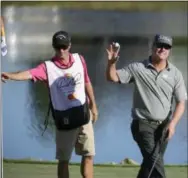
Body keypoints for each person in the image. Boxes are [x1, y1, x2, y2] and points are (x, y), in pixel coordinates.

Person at [2, 30, 98, 178]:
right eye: (58, 47)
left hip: (84, 115)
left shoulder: (80, 59)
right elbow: (29, 74)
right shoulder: (47, 67)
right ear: (54, 47)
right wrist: (11, 76)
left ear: (69, 46)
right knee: (64, 160)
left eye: (64, 47)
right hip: (64, 120)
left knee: (89, 154)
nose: (61, 51)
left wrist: (94, 105)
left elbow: (86, 82)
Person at [105, 34, 187, 178]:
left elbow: (181, 102)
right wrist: (111, 63)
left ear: (170, 50)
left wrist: (173, 124)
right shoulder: (137, 68)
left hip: (164, 127)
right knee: (156, 162)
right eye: (160, 45)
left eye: (166, 47)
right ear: (153, 47)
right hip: (143, 125)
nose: (162, 49)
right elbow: (112, 77)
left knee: (150, 164)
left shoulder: (175, 74)